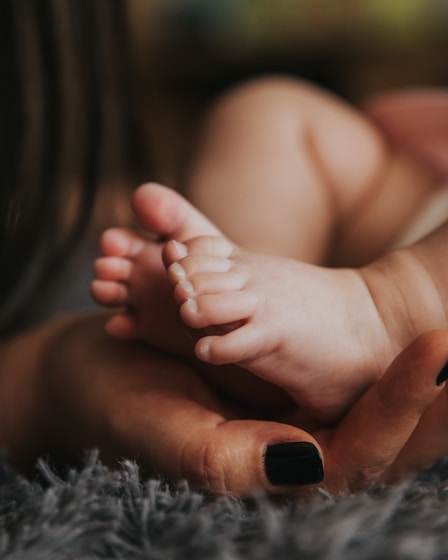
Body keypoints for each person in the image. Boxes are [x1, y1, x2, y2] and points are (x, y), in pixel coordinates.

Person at [2, 0, 448, 499]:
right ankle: (256, 295)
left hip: (410, 277)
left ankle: (381, 313)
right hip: (402, 204)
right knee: (267, 109)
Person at [91, 77, 448, 426]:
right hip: (414, 206)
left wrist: (381, 304)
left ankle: (379, 318)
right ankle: (250, 274)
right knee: (268, 113)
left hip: (424, 310)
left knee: (387, 302)